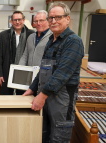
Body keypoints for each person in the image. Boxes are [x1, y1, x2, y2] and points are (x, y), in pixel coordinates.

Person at [23, 2, 84, 142]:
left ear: (67, 19)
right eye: (51, 18)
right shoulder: (51, 40)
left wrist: (42, 95)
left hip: (62, 99)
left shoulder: (73, 41)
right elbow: (43, 69)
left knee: (58, 137)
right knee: (44, 135)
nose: (53, 21)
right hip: (47, 95)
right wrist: (32, 89)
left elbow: (62, 74)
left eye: (58, 17)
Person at [0, 11, 34, 95]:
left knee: (23, 96)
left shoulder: (31, 34)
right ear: (11, 21)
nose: (17, 22)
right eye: (15, 20)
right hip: (6, 70)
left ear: (23, 20)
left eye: (19, 19)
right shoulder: (3, 35)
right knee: (5, 96)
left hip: (25, 71)